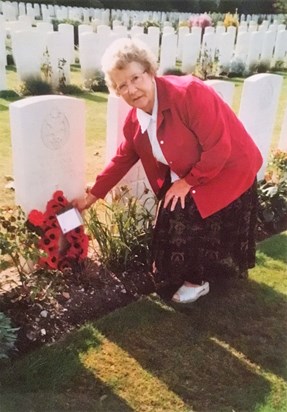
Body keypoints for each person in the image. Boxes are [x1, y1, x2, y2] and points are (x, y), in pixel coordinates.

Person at [74, 37, 263, 304]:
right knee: (173, 208)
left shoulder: (189, 94)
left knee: (187, 210)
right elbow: (123, 158)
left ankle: (197, 281)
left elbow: (219, 147)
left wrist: (188, 182)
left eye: (135, 78)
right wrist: (92, 195)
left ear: (150, 72)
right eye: (122, 86)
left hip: (231, 167)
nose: (131, 90)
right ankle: (186, 273)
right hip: (198, 171)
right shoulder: (135, 122)